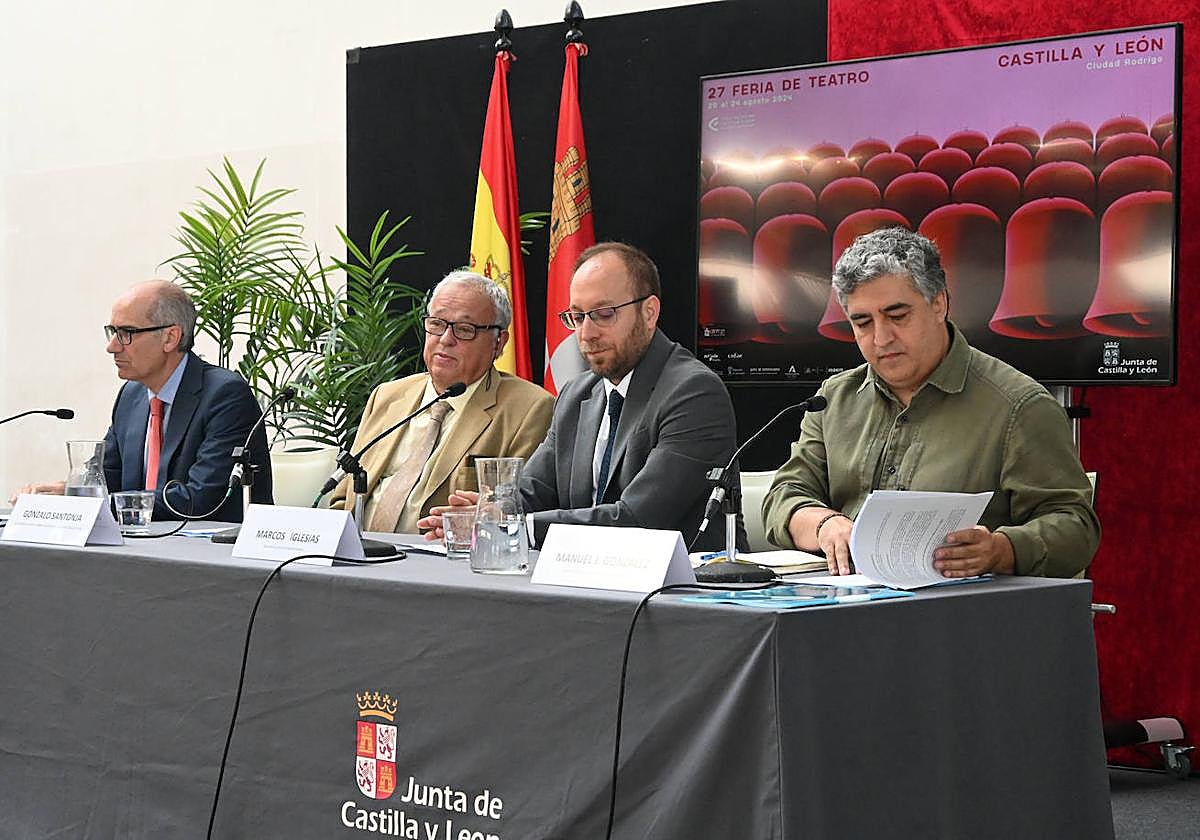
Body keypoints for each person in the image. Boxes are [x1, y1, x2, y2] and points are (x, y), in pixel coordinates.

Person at [763, 227, 1099, 578]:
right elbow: (783, 497)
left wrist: (1002, 550)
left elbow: (1076, 527)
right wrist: (825, 525)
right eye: (862, 322)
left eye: (898, 316)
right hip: (838, 611)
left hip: (960, 616)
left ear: (939, 303)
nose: (881, 338)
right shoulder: (832, 399)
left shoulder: (1019, 406)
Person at [422, 242, 744, 552]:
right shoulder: (576, 395)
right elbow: (533, 493)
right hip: (586, 584)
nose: (586, 334)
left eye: (603, 314)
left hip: (681, 594)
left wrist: (514, 525)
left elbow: (639, 520)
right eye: (577, 317)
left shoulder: (694, 393)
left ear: (649, 312)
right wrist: (487, 512)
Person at [12, 280, 272, 522]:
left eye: (126, 333)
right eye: (112, 332)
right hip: (140, 549)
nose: (112, 346)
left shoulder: (225, 395)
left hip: (208, 558)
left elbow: (200, 499)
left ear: (170, 337)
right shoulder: (131, 395)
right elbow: (106, 477)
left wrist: (91, 504)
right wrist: (65, 494)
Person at [329, 270, 553, 533]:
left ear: (498, 342)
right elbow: (342, 500)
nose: (446, 339)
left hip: (438, 562)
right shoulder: (387, 397)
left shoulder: (529, 409)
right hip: (358, 558)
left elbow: (514, 512)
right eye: (437, 324)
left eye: (464, 329)